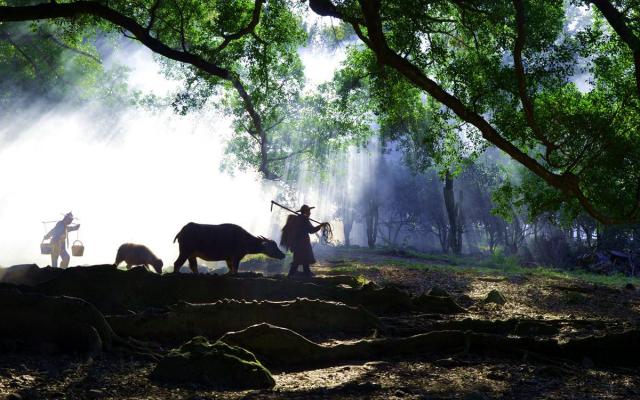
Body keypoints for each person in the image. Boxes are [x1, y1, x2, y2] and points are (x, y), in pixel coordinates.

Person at [281, 204, 328, 277]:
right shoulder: (304, 219)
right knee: (300, 261)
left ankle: (305, 273)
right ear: (306, 211)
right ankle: (291, 276)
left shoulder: (298, 219)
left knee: (301, 260)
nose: (310, 213)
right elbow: (311, 230)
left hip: (297, 244)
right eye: (309, 211)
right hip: (303, 244)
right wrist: (320, 226)